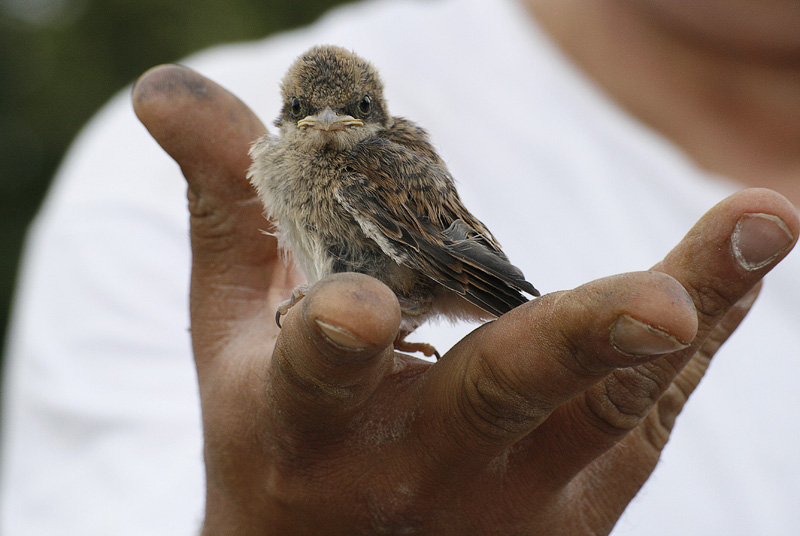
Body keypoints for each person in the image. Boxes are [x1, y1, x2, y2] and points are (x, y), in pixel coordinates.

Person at [1, 0, 798, 533]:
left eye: (353, 114)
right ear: (282, 119)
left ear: (375, 116)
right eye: (306, 115)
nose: (329, 128)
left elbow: (452, 255)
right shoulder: (139, 189)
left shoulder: (376, 167)